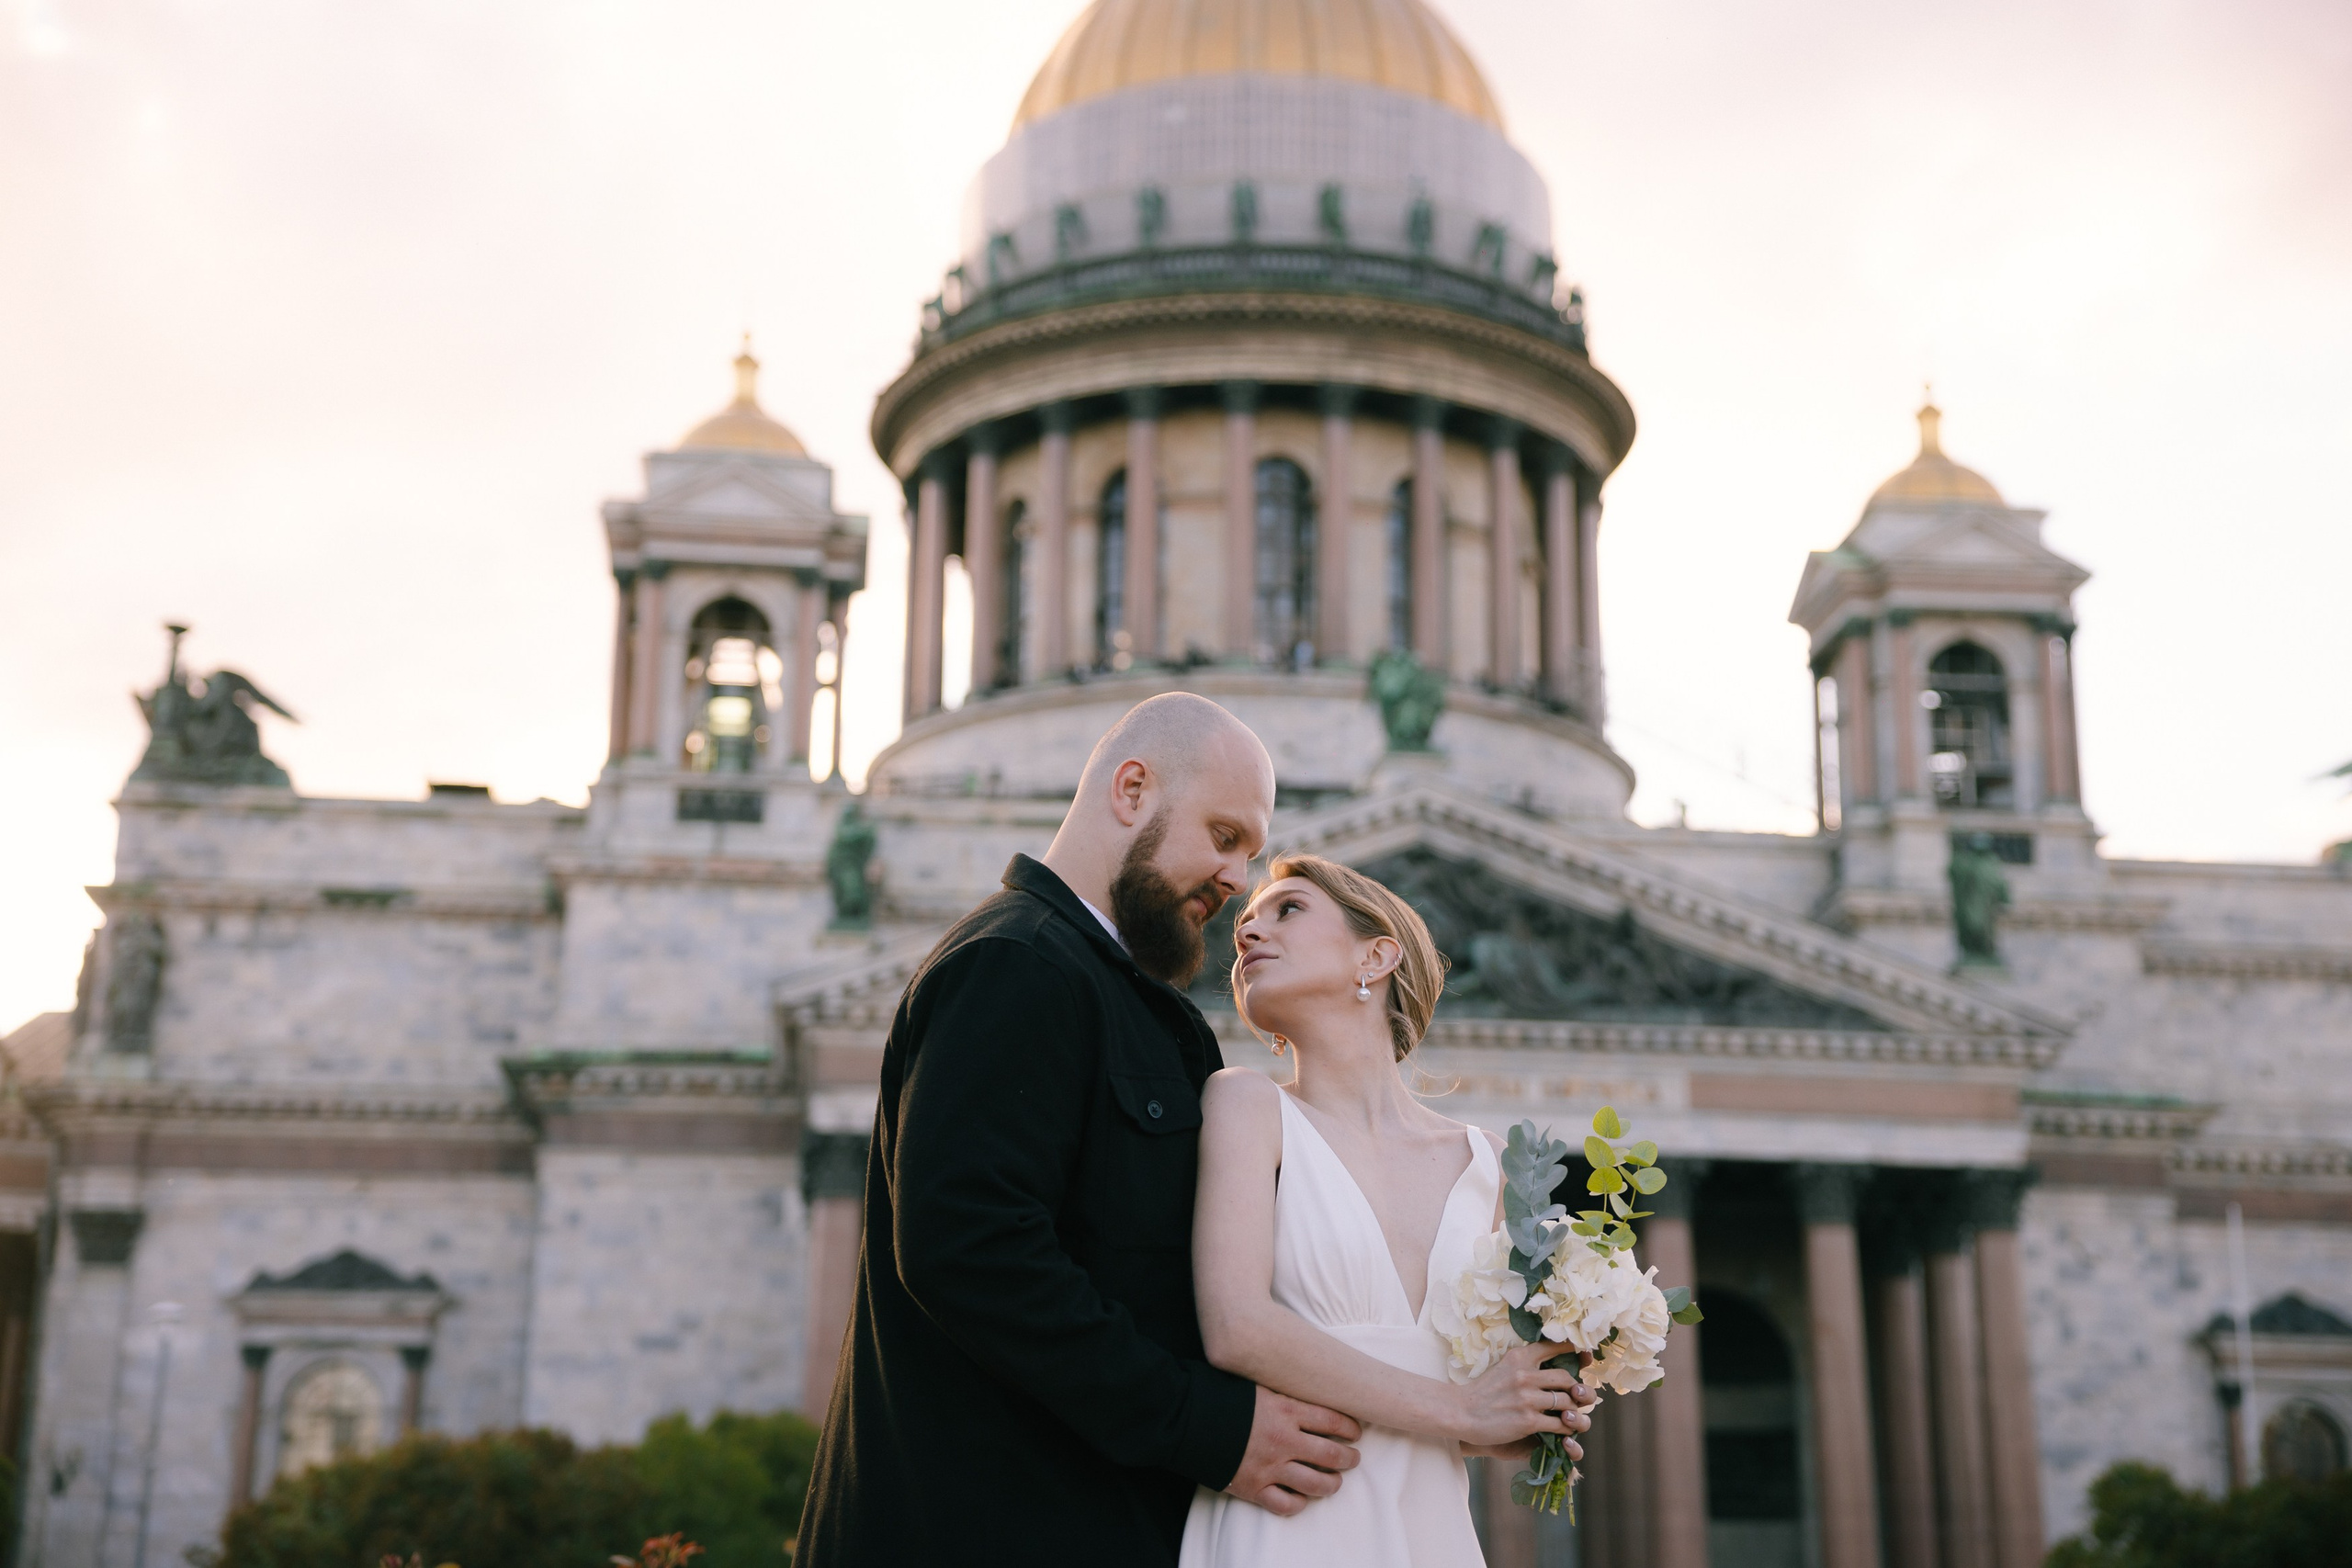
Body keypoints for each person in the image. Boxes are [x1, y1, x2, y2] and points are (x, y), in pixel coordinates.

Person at [797, 694, 1369, 1566]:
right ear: (1131, 789)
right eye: (1224, 837)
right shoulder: (1016, 963)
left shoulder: (1119, 995)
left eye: (1251, 854)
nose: (1240, 884)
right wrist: (1205, 1427)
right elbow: (972, 1250)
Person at [1182, 853, 1595, 1567]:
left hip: (1428, 1527)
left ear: (1375, 956)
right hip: (1287, 1520)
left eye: (1287, 910)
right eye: (1244, 923)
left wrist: (1523, 1415)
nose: (1245, 934)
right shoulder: (1247, 1103)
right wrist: (1463, 1411)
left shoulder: (1489, 1163)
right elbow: (1236, 1328)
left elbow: (1461, 1399)